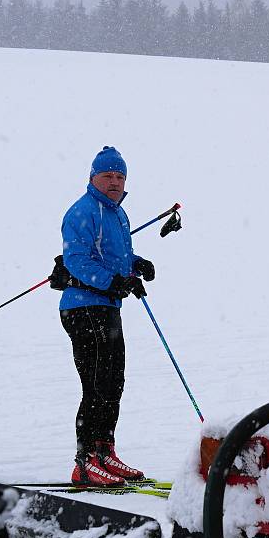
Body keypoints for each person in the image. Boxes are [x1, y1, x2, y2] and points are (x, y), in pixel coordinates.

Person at [58, 146, 156, 486]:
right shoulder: (82, 212)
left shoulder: (117, 214)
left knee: (114, 382)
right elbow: (77, 261)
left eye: (120, 176)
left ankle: (104, 452)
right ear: (93, 177)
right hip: (83, 307)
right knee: (96, 384)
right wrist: (113, 281)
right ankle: (84, 462)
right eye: (108, 175)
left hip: (106, 306)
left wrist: (135, 265)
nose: (114, 181)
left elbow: (115, 256)